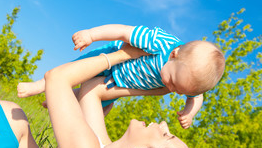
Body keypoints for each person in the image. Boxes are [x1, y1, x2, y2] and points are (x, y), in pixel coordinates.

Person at [5, 44, 195, 148]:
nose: (163, 125)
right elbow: (92, 90)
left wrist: (124, 55)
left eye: (165, 135)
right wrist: (159, 88)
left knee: (9, 114)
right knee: (17, 120)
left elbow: (56, 77)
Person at [17, 24, 225, 131]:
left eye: (179, 90)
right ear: (174, 55)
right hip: (111, 59)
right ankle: (41, 85)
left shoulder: (187, 79)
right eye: (172, 81)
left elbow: (197, 96)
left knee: (94, 106)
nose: (171, 89)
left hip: (119, 83)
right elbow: (124, 32)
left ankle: (63, 98)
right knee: (74, 69)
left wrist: (190, 112)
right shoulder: (159, 42)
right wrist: (91, 34)